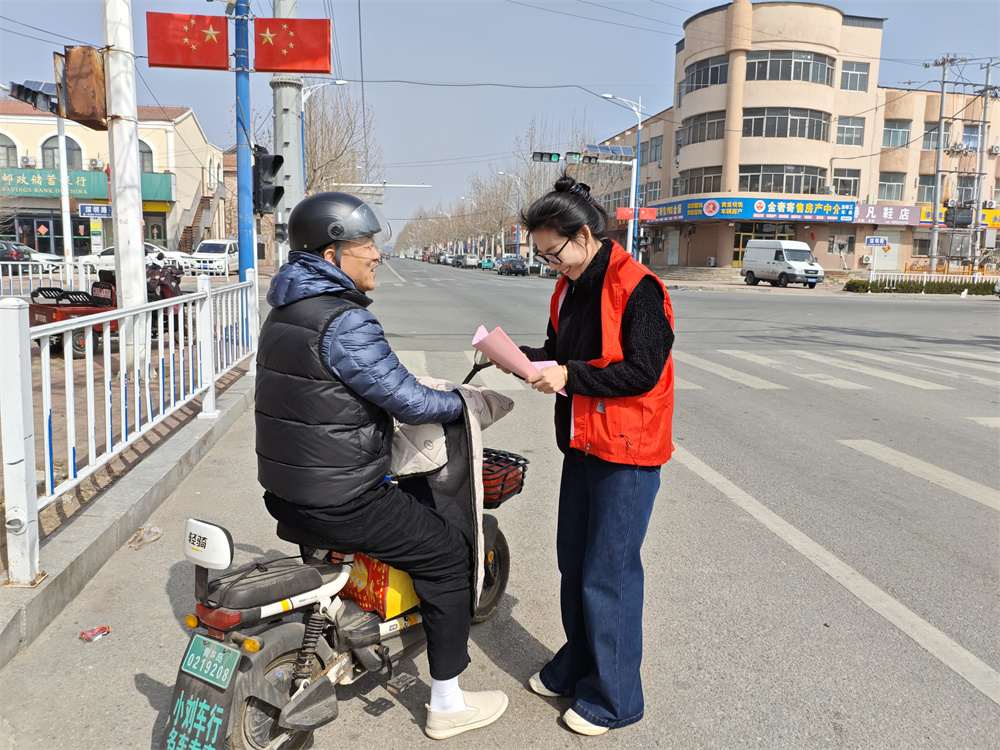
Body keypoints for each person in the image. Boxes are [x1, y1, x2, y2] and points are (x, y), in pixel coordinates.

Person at [254, 192, 508, 740]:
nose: (376, 254)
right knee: (445, 553)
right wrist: (465, 401)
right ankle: (447, 703)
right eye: (365, 244)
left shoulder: (283, 312)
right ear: (330, 254)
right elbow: (411, 402)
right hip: (341, 497)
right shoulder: (344, 322)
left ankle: (352, 617)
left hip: (284, 491)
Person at [514, 173, 675, 736]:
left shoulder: (639, 288)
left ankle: (614, 697)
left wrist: (567, 374)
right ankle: (577, 663)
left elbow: (641, 371)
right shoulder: (568, 289)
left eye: (554, 252)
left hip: (627, 455)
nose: (550, 264)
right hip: (582, 444)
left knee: (609, 575)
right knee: (574, 566)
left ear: (584, 236)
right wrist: (515, 356)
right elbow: (558, 355)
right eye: (542, 256)